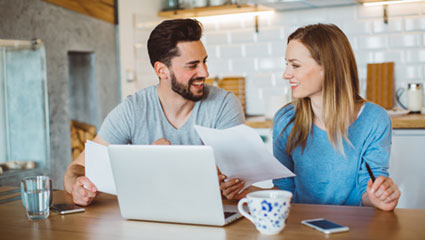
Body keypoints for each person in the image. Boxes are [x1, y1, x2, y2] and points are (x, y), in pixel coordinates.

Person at [220, 23, 401, 211]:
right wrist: (244, 191)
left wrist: (379, 197)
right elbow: (284, 191)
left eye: (295, 65)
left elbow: (369, 189)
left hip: (354, 225)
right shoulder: (285, 120)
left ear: (328, 67)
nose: (286, 74)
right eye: (287, 64)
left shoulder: (374, 119)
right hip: (301, 225)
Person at [64, 18, 245, 206]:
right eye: (192, 66)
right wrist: (77, 186)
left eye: (204, 62)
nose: (205, 73)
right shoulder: (133, 110)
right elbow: (75, 169)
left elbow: (238, 177)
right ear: (162, 70)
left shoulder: (224, 104)